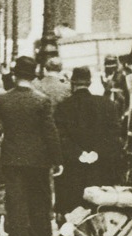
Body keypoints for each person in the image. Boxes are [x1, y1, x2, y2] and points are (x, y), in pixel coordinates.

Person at [0, 54, 62, 236]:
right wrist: (57, 159)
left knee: (15, 201)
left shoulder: (3, 99)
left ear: (15, 75)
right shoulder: (42, 100)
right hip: (38, 159)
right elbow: (50, 132)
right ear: (33, 77)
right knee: (39, 200)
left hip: (12, 157)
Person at [53, 66, 124, 216]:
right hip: (100, 166)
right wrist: (96, 153)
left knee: (76, 207)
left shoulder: (63, 107)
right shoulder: (106, 104)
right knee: (99, 207)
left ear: (72, 83)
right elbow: (114, 135)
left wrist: (79, 153)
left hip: (74, 167)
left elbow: (61, 137)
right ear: (90, 83)